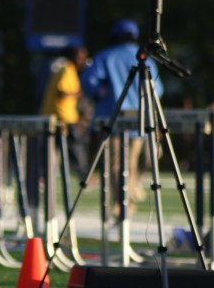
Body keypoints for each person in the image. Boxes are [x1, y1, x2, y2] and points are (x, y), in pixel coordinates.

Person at [80, 19, 163, 217]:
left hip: (112, 118)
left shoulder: (106, 56)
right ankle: (130, 196)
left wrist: (101, 93)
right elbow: (157, 89)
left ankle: (121, 204)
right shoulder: (145, 58)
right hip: (139, 120)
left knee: (115, 164)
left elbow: (88, 82)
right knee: (132, 162)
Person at [39, 46, 89, 178]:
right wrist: (78, 93)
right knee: (74, 147)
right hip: (63, 116)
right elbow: (62, 92)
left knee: (52, 147)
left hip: (58, 115)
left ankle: (43, 175)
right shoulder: (67, 69)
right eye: (80, 57)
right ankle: (84, 175)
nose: (83, 60)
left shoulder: (67, 69)